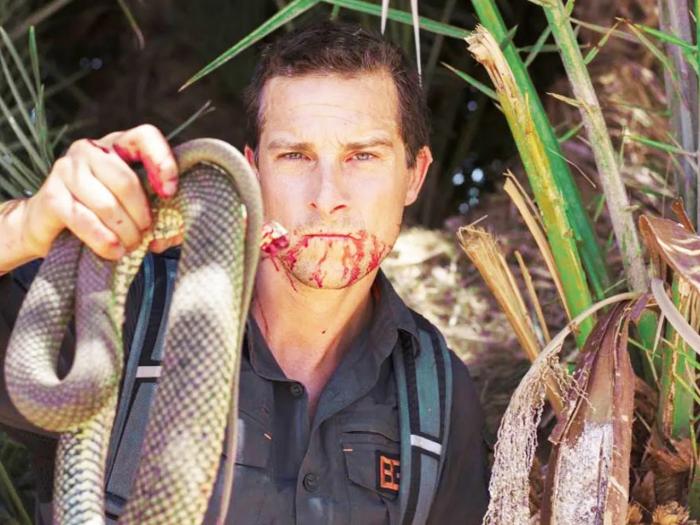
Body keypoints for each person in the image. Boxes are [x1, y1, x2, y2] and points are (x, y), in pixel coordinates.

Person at [0, 21, 489, 524]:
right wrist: (26, 228)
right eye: (295, 156)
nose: (327, 197)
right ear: (254, 170)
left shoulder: (438, 399)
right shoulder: (125, 306)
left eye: (363, 156)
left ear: (414, 175)